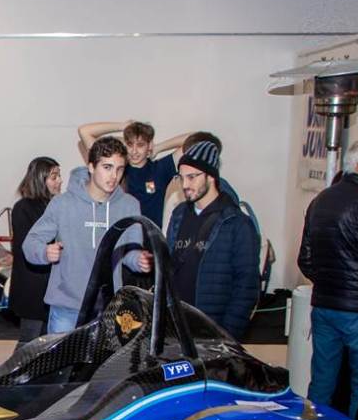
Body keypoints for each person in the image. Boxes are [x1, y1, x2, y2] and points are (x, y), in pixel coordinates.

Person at [23, 137, 147, 334]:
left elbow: (129, 252)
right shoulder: (62, 204)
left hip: (109, 309)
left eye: (120, 169)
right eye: (107, 167)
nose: (114, 176)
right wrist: (45, 252)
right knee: (61, 365)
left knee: (105, 365)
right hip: (66, 309)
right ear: (91, 166)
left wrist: (139, 260)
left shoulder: (129, 205)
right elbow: (30, 243)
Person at [298, 138, 358, 419]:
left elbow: (305, 259)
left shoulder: (320, 200)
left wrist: (328, 283)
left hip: (324, 305)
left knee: (322, 384)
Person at [165, 141, 260, 341]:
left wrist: (227, 334)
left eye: (192, 177)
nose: (185, 185)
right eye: (181, 178)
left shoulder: (237, 223)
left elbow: (247, 285)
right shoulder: (179, 214)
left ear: (211, 176)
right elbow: (169, 267)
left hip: (214, 330)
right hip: (177, 328)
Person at [78, 120, 189, 228]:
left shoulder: (160, 169)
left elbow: (197, 140)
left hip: (150, 241)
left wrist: (159, 147)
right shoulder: (117, 170)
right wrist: (123, 126)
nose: (134, 151)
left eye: (140, 145)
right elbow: (84, 131)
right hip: (120, 239)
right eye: (130, 144)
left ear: (149, 145)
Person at [10, 157, 61, 344]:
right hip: (32, 289)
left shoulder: (55, 206)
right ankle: (14, 374)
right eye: (54, 177)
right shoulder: (23, 208)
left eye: (59, 176)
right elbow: (27, 250)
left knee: (45, 346)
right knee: (28, 346)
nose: (60, 181)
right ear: (40, 179)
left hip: (50, 288)